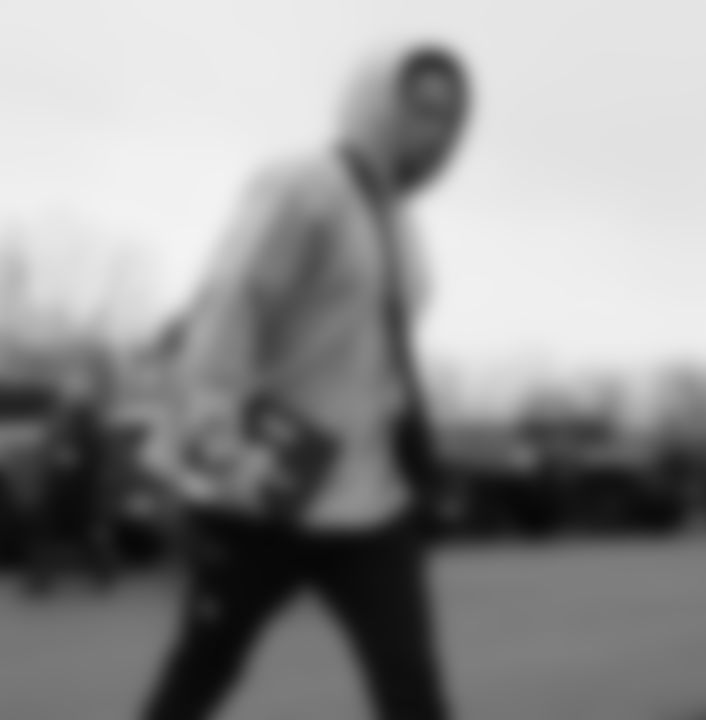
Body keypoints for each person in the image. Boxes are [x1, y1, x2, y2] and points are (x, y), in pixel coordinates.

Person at [137, 40, 471, 720]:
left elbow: (374, 359)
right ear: (376, 102)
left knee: (413, 691)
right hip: (266, 488)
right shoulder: (304, 186)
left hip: (372, 501)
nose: (434, 131)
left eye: (448, 118)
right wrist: (216, 439)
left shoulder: (403, 228)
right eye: (420, 108)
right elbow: (231, 306)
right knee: (203, 670)